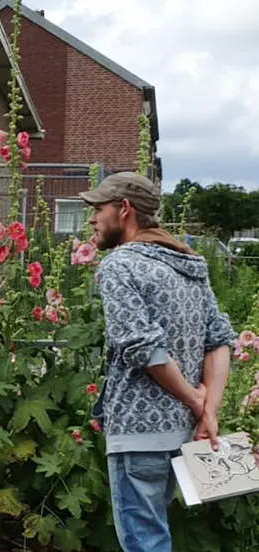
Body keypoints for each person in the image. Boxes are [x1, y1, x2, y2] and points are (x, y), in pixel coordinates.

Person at [80, 172, 234, 552]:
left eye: (98, 208)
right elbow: (220, 342)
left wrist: (197, 401)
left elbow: (139, 346)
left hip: (138, 432)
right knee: (155, 536)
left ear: (125, 210)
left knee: (145, 543)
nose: (91, 219)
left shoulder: (121, 265)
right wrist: (206, 411)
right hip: (183, 434)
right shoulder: (189, 264)